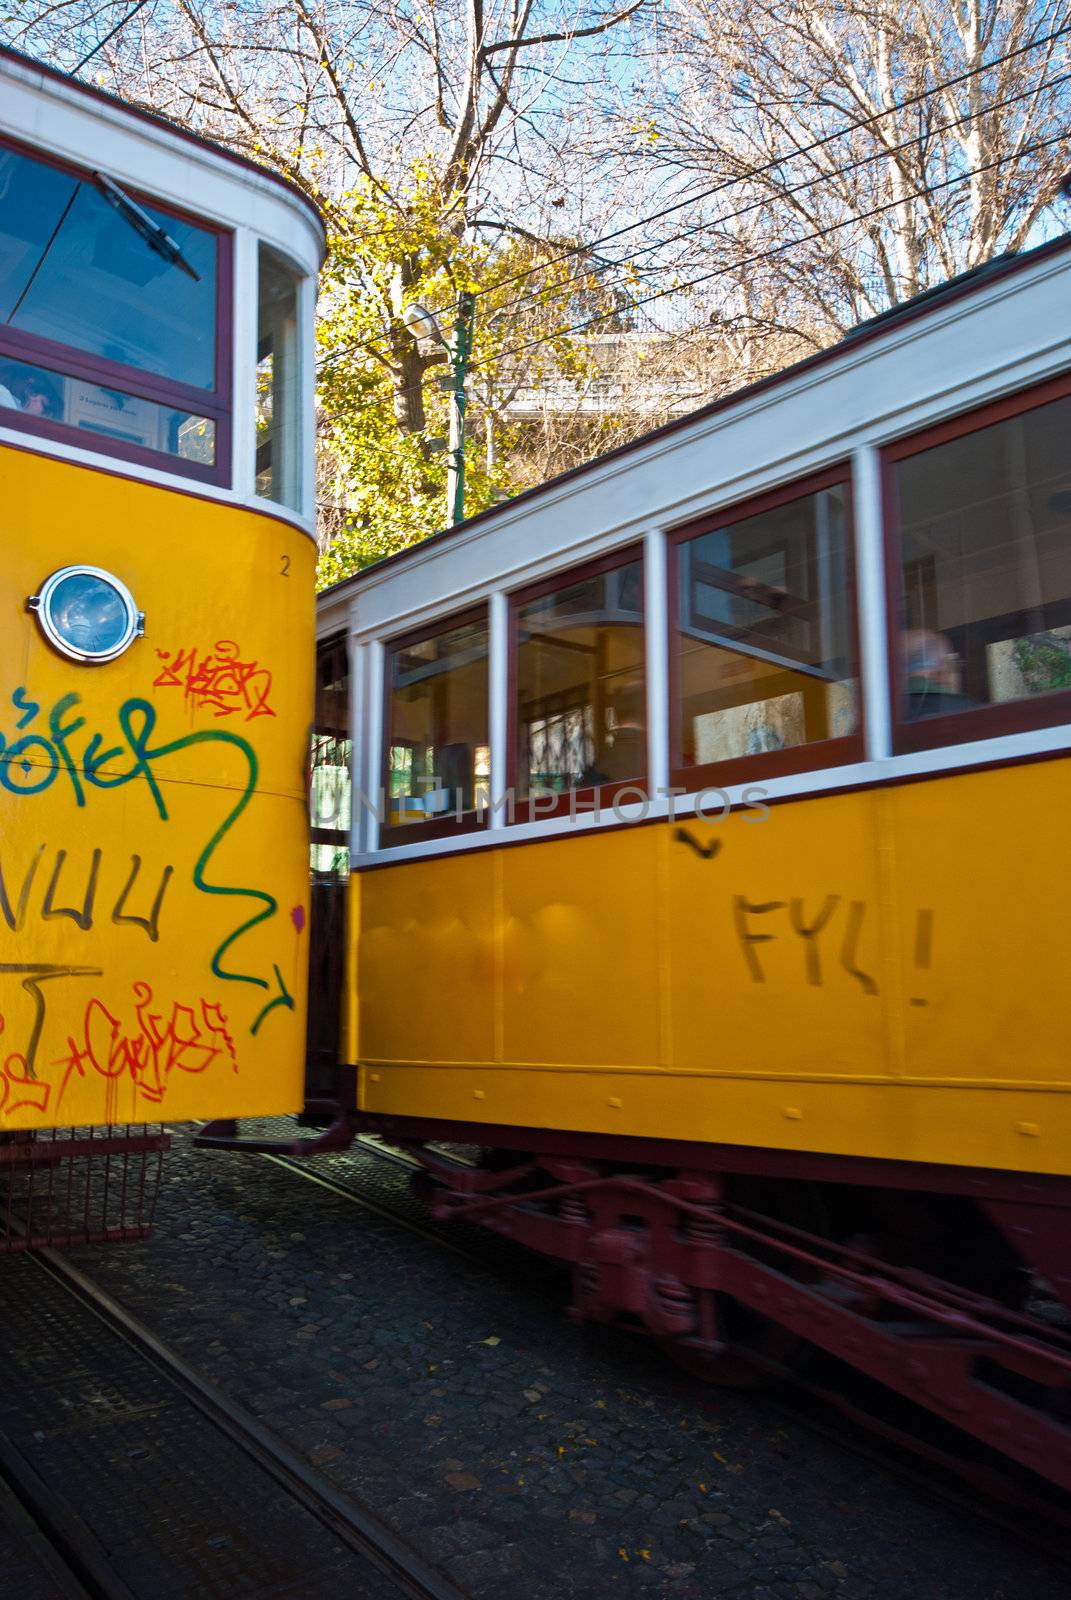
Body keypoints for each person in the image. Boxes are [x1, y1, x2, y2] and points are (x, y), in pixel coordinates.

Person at [902, 628, 977, 719]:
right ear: (942, 670)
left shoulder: (885, 713)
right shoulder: (970, 713)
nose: (956, 674)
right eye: (953, 665)